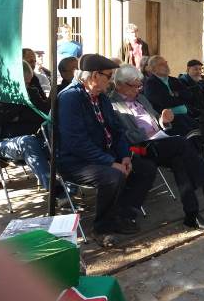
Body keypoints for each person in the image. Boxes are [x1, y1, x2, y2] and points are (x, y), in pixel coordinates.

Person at [110, 65, 204, 230]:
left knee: (180, 161)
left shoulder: (141, 98)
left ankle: (192, 215)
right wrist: (148, 133)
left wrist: (163, 120)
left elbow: (156, 119)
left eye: (140, 85)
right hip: (138, 148)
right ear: (120, 84)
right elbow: (124, 135)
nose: (138, 89)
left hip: (158, 142)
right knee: (182, 143)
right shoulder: (113, 104)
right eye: (135, 86)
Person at [57, 54, 157, 247]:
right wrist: (111, 162)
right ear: (95, 75)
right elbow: (77, 143)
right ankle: (101, 228)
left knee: (145, 168)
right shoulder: (70, 98)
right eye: (109, 76)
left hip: (103, 155)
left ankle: (122, 215)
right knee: (113, 176)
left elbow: (117, 131)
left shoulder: (101, 97)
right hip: (75, 161)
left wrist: (124, 156)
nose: (111, 81)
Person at [0, 61, 52, 194]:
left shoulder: (31, 92)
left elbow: (42, 116)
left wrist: (17, 116)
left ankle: (71, 184)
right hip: (3, 143)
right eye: (24, 82)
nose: (27, 86)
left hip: (36, 138)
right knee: (28, 142)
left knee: (58, 134)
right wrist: (21, 105)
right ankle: (56, 190)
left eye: (28, 82)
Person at [143, 55, 197, 136]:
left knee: (203, 125)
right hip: (170, 120)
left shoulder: (174, 80)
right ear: (154, 69)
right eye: (162, 64)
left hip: (187, 114)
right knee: (191, 132)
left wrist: (177, 94)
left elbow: (189, 95)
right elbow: (163, 102)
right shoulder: (150, 84)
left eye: (166, 63)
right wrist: (180, 98)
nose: (166, 65)